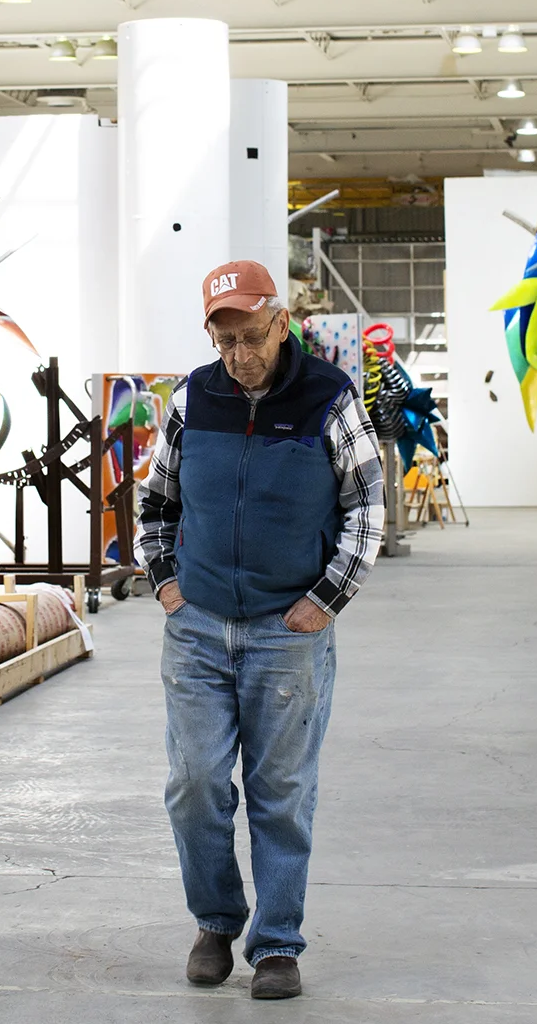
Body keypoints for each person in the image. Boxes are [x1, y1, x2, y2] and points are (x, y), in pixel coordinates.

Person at [135, 259, 383, 1001]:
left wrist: (323, 602)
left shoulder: (328, 399)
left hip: (287, 632)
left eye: (251, 335)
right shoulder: (193, 397)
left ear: (281, 324)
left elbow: (367, 509)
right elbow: (155, 501)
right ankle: (215, 922)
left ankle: (275, 944)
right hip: (199, 627)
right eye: (225, 339)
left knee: (280, 791)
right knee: (195, 783)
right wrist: (167, 584)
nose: (239, 354)